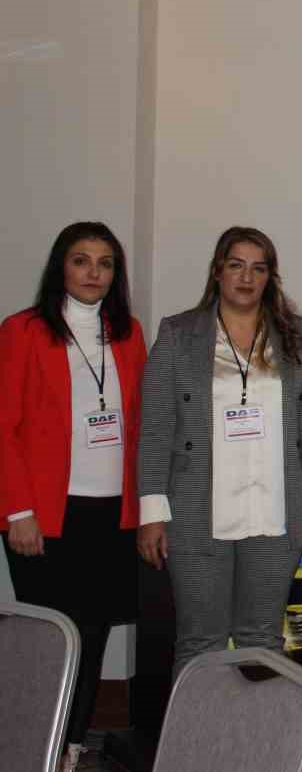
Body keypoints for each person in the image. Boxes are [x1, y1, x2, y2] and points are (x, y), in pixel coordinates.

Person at [137, 226, 302, 670]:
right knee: (199, 641)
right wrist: (152, 513)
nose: (246, 278)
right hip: (196, 512)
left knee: (262, 640)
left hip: (275, 510)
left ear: (270, 277)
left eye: (258, 268)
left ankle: (260, 721)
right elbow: (156, 428)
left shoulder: (299, 335)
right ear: (217, 271)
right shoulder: (177, 334)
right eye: (236, 265)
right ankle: (196, 721)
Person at [1, 222, 147, 772]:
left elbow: (141, 424)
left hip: (113, 514)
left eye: (105, 263)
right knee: (50, 640)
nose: (93, 273)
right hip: (44, 516)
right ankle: (34, 745)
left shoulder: (128, 333)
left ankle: (72, 747)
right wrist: (18, 510)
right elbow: (3, 426)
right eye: (81, 260)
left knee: (93, 635)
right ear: (60, 267)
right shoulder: (23, 330)